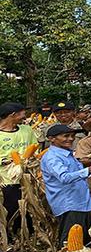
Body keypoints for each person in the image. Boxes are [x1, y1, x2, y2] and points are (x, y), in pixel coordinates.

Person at [40, 125, 91, 246]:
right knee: (70, 243)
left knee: (84, 240)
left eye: (72, 136)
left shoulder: (67, 154)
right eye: (66, 136)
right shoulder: (52, 157)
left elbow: (78, 168)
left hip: (80, 201)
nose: (70, 139)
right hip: (69, 203)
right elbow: (65, 177)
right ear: (51, 139)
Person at [0, 102, 38, 241]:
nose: (25, 116)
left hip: (28, 176)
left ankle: (29, 235)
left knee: (30, 205)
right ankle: (9, 236)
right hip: (7, 178)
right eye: (22, 113)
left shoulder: (26, 130)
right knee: (10, 206)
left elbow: (34, 146)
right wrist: (7, 161)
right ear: (12, 115)